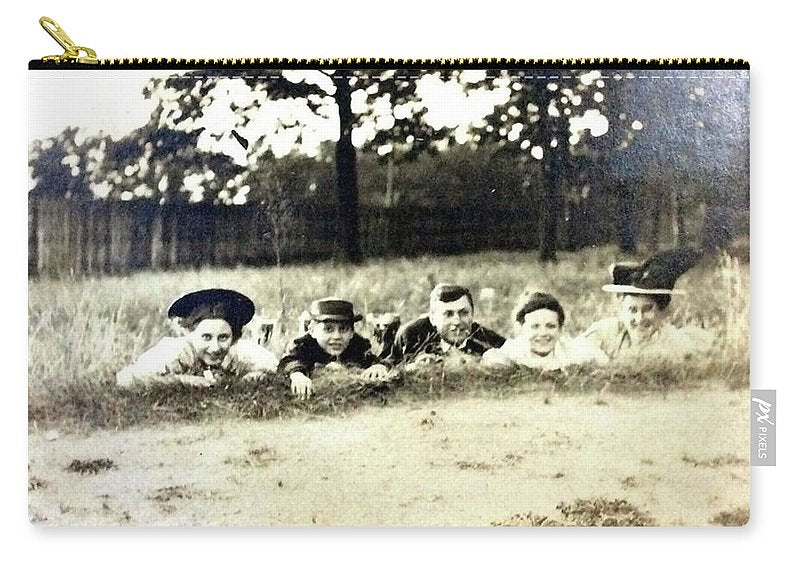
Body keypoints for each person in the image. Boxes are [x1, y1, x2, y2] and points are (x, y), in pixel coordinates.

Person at [116, 288, 279, 387]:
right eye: (206, 337)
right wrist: (184, 381)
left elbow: (276, 370)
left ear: (234, 338)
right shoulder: (175, 351)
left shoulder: (241, 352)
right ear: (190, 334)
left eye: (223, 337)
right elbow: (125, 378)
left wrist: (251, 378)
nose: (215, 347)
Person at [581, 248, 715, 361]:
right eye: (632, 310)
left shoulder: (675, 344)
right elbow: (574, 351)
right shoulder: (606, 332)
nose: (639, 319)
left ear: (662, 311)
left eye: (648, 309)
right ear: (621, 309)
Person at [278, 298, 390, 399]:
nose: (336, 336)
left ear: (351, 333)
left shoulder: (358, 344)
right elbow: (290, 361)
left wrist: (378, 366)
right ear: (312, 330)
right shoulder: (303, 344)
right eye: (328, 329)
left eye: (343, 329)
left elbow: (374, 359)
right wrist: (297, 375)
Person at [385, 283, 505, 367]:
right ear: (433, 318)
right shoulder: (413, 335)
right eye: (448, 314)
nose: (457, 321)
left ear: (472, 314)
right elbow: (389, 362)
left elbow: (512, 353)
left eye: (464, 313)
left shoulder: (483, 336)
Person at [482, 292, 609, 370]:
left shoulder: (571, 351)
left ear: (560, 329)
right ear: (522, 329)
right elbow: (490, 359)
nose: (543, 333)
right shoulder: (512, 352)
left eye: (550, 326)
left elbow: (602, 359)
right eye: (535, 326)